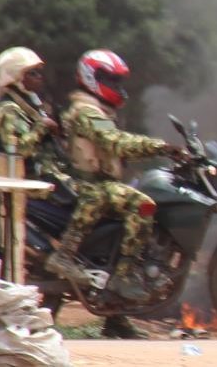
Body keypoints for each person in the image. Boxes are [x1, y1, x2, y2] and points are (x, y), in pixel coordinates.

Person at [52, 49, 179, 339]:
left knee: (128, 231)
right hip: (88, 184)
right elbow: (116, 143)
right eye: (109, 79)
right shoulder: (85, 110)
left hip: (100, 182)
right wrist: (161, 147)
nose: (117, 86)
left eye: (118, 80)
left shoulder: (97, 109)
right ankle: (120, 277)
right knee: (142, 205)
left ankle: (116, 318)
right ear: (91, 77)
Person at [0, 46, 63, 182]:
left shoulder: (31, 104)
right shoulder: (8, 109)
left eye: (39, 73)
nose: (39, 77)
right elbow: (19, 151)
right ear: (16, 76)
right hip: (26, 182)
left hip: (45, 176)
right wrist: (42, 126)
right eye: (32, 73)